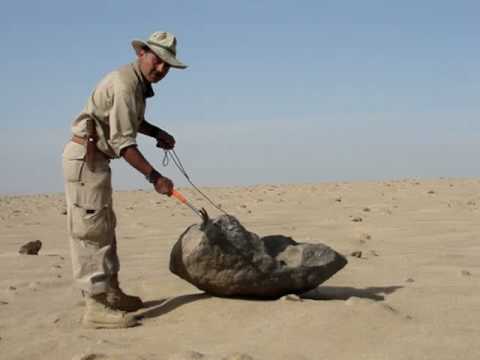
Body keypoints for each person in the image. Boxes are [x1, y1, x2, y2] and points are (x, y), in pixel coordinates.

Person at [62, 31, 188, 329]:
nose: (161, 70)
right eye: (158, 61)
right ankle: (95, 307)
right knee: (91, 231)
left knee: (104, 227)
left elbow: (131, 120)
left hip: (97, 159)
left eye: (167, 66)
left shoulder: (137, 84)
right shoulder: (124, 83)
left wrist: (157, 133)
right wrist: (155, 177)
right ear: (141, 53)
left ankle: (112, 293)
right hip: (85, 158)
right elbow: (123, 143)